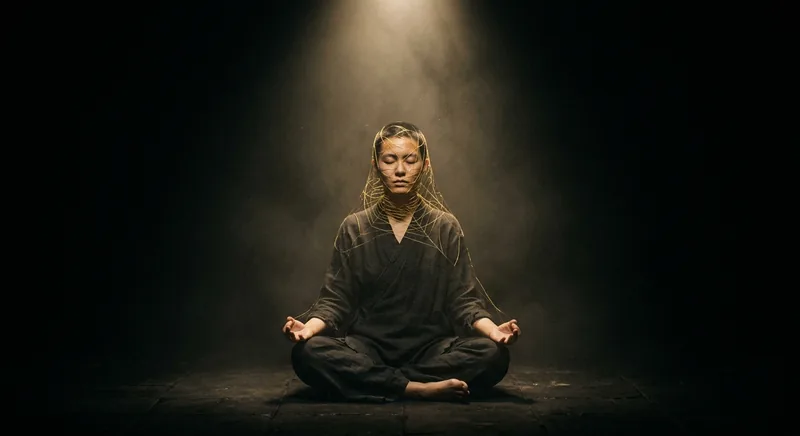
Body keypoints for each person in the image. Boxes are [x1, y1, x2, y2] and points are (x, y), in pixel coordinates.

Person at [282, 121, 521, 402]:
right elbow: (335, 300)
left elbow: (463, 301)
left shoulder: (445, 226)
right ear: (376, 165)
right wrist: (307, 329)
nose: (399, 170)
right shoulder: (354, 227)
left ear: (425, 165)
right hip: (368, 347)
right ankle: (417, 388)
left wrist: (493, 331)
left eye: (410, 160)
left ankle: (379, 382)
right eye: (389, 160)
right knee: (307, 353)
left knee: (493, 354)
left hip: (432, 349)